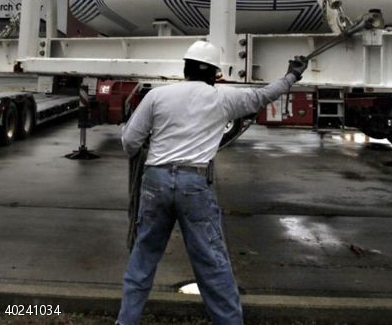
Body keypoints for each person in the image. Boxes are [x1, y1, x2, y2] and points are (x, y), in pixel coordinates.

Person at [117, 40, 308, 325]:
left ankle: (126, 321)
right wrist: (292, 75)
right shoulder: (224, 98)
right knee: (211, 262)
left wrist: (146, 152)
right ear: (216, 74)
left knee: (143, 257)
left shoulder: (157, 96)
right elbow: (263, 96)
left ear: (185, 68)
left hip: (155, 181)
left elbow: (130, 141)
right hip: (195, 184)